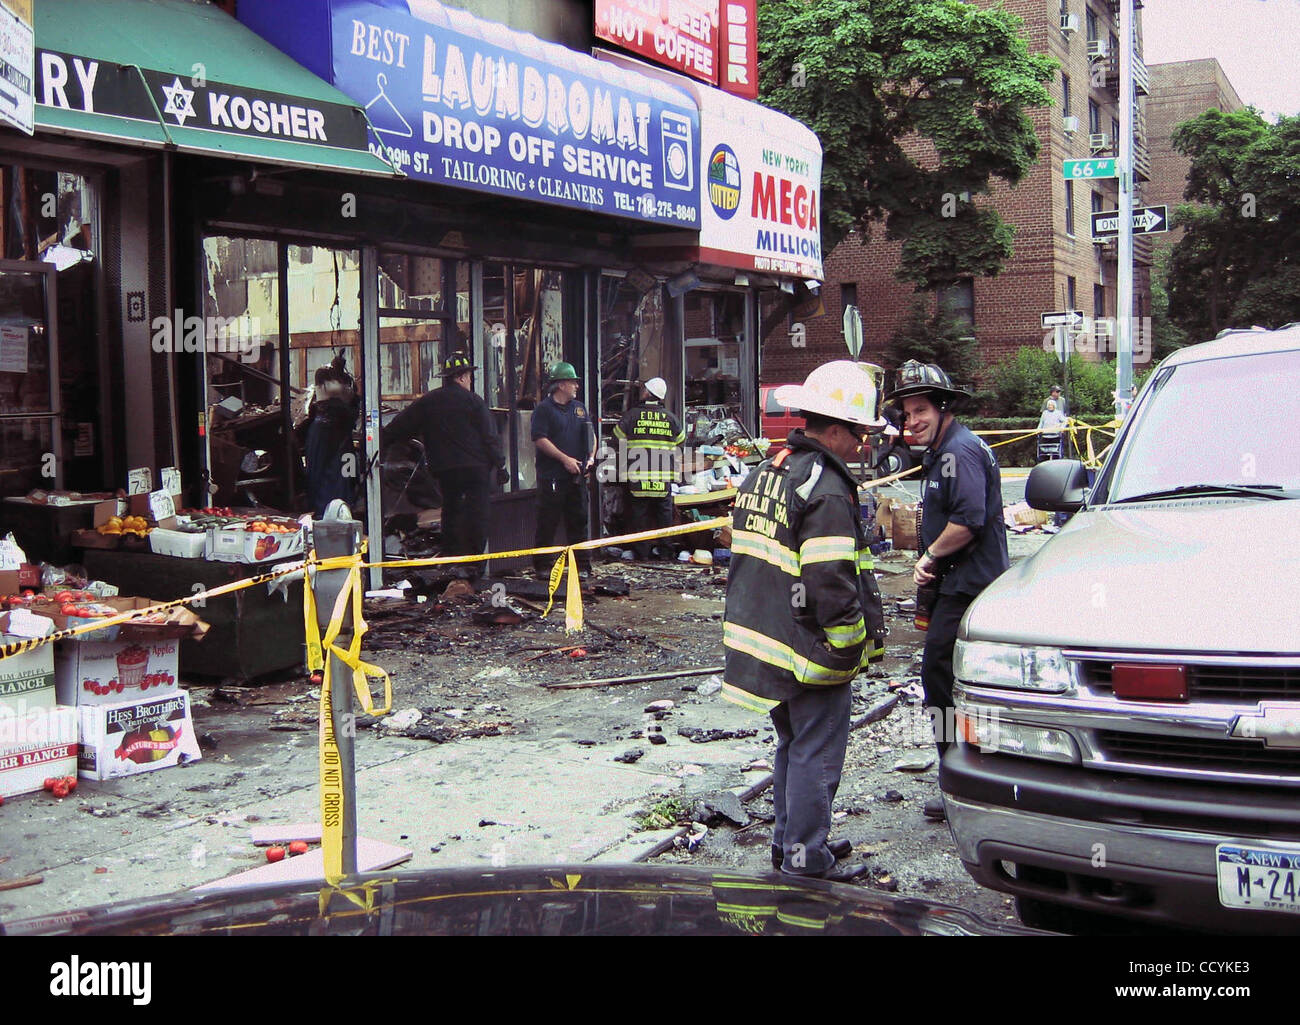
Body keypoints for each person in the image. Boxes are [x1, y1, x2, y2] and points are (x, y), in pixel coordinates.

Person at [721, 361, 888, 883]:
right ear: (835, 429)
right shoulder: (827, 487)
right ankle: (807, 858)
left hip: (767, 641)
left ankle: (788, 844)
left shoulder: (769, 469)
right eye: (859, 433)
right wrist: (847, 645)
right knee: (816, 750)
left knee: (793, 743)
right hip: (808, 647)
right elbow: (830, 578)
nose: (862, 444)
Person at [891, 360, 1009, 821]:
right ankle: (971, 774)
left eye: (920, 410)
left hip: (967, 586)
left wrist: (930, 557)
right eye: (906, 413)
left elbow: (968, 520)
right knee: (958, 681)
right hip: (956, 584)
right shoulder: (945, 451)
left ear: (943, 408)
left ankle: (964, 779)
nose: (912, 421)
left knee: (941, 679)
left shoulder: (960, 451)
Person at [381, 352, 506, 580]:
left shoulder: (428, 402)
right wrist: (500, 464)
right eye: (469, 376)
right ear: (461, 377)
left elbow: (399, 426)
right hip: (475, 468)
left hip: (446, 470)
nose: (470, 380)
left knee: (452, 511)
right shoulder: (474, 402)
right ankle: (474, 566)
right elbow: (490, 436)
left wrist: (379, 443)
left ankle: (452, 559)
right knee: (477, 514)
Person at [531, 361, 597, 579]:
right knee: (547, 522)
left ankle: (582, 566)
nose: (576, 386)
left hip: (576, 478)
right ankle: (543, 566)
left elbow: (591, 435)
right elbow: (540, 439)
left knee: (579, 521)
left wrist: (590, 458)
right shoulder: (544, 410)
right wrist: (564, 459)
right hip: (553, 477)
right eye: (572, 382)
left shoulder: (579, 408)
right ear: (561, 385)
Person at [613, 377, 684, 560]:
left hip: (638, 476)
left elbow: (616, 439)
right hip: (662, 477)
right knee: (664, 516)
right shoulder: (671, 418)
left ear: (647, 393)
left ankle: (642, 553)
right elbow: (681, 442)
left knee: (639, 516)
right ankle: (666, 552)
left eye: (644, 389)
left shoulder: (631, 416)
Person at [302, 356, 359, 519]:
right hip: (325, 431)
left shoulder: (344, 381)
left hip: (342, 435)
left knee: (346, 472)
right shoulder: (324, 376)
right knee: (321, 471)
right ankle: (322, 510)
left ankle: (346, 504)